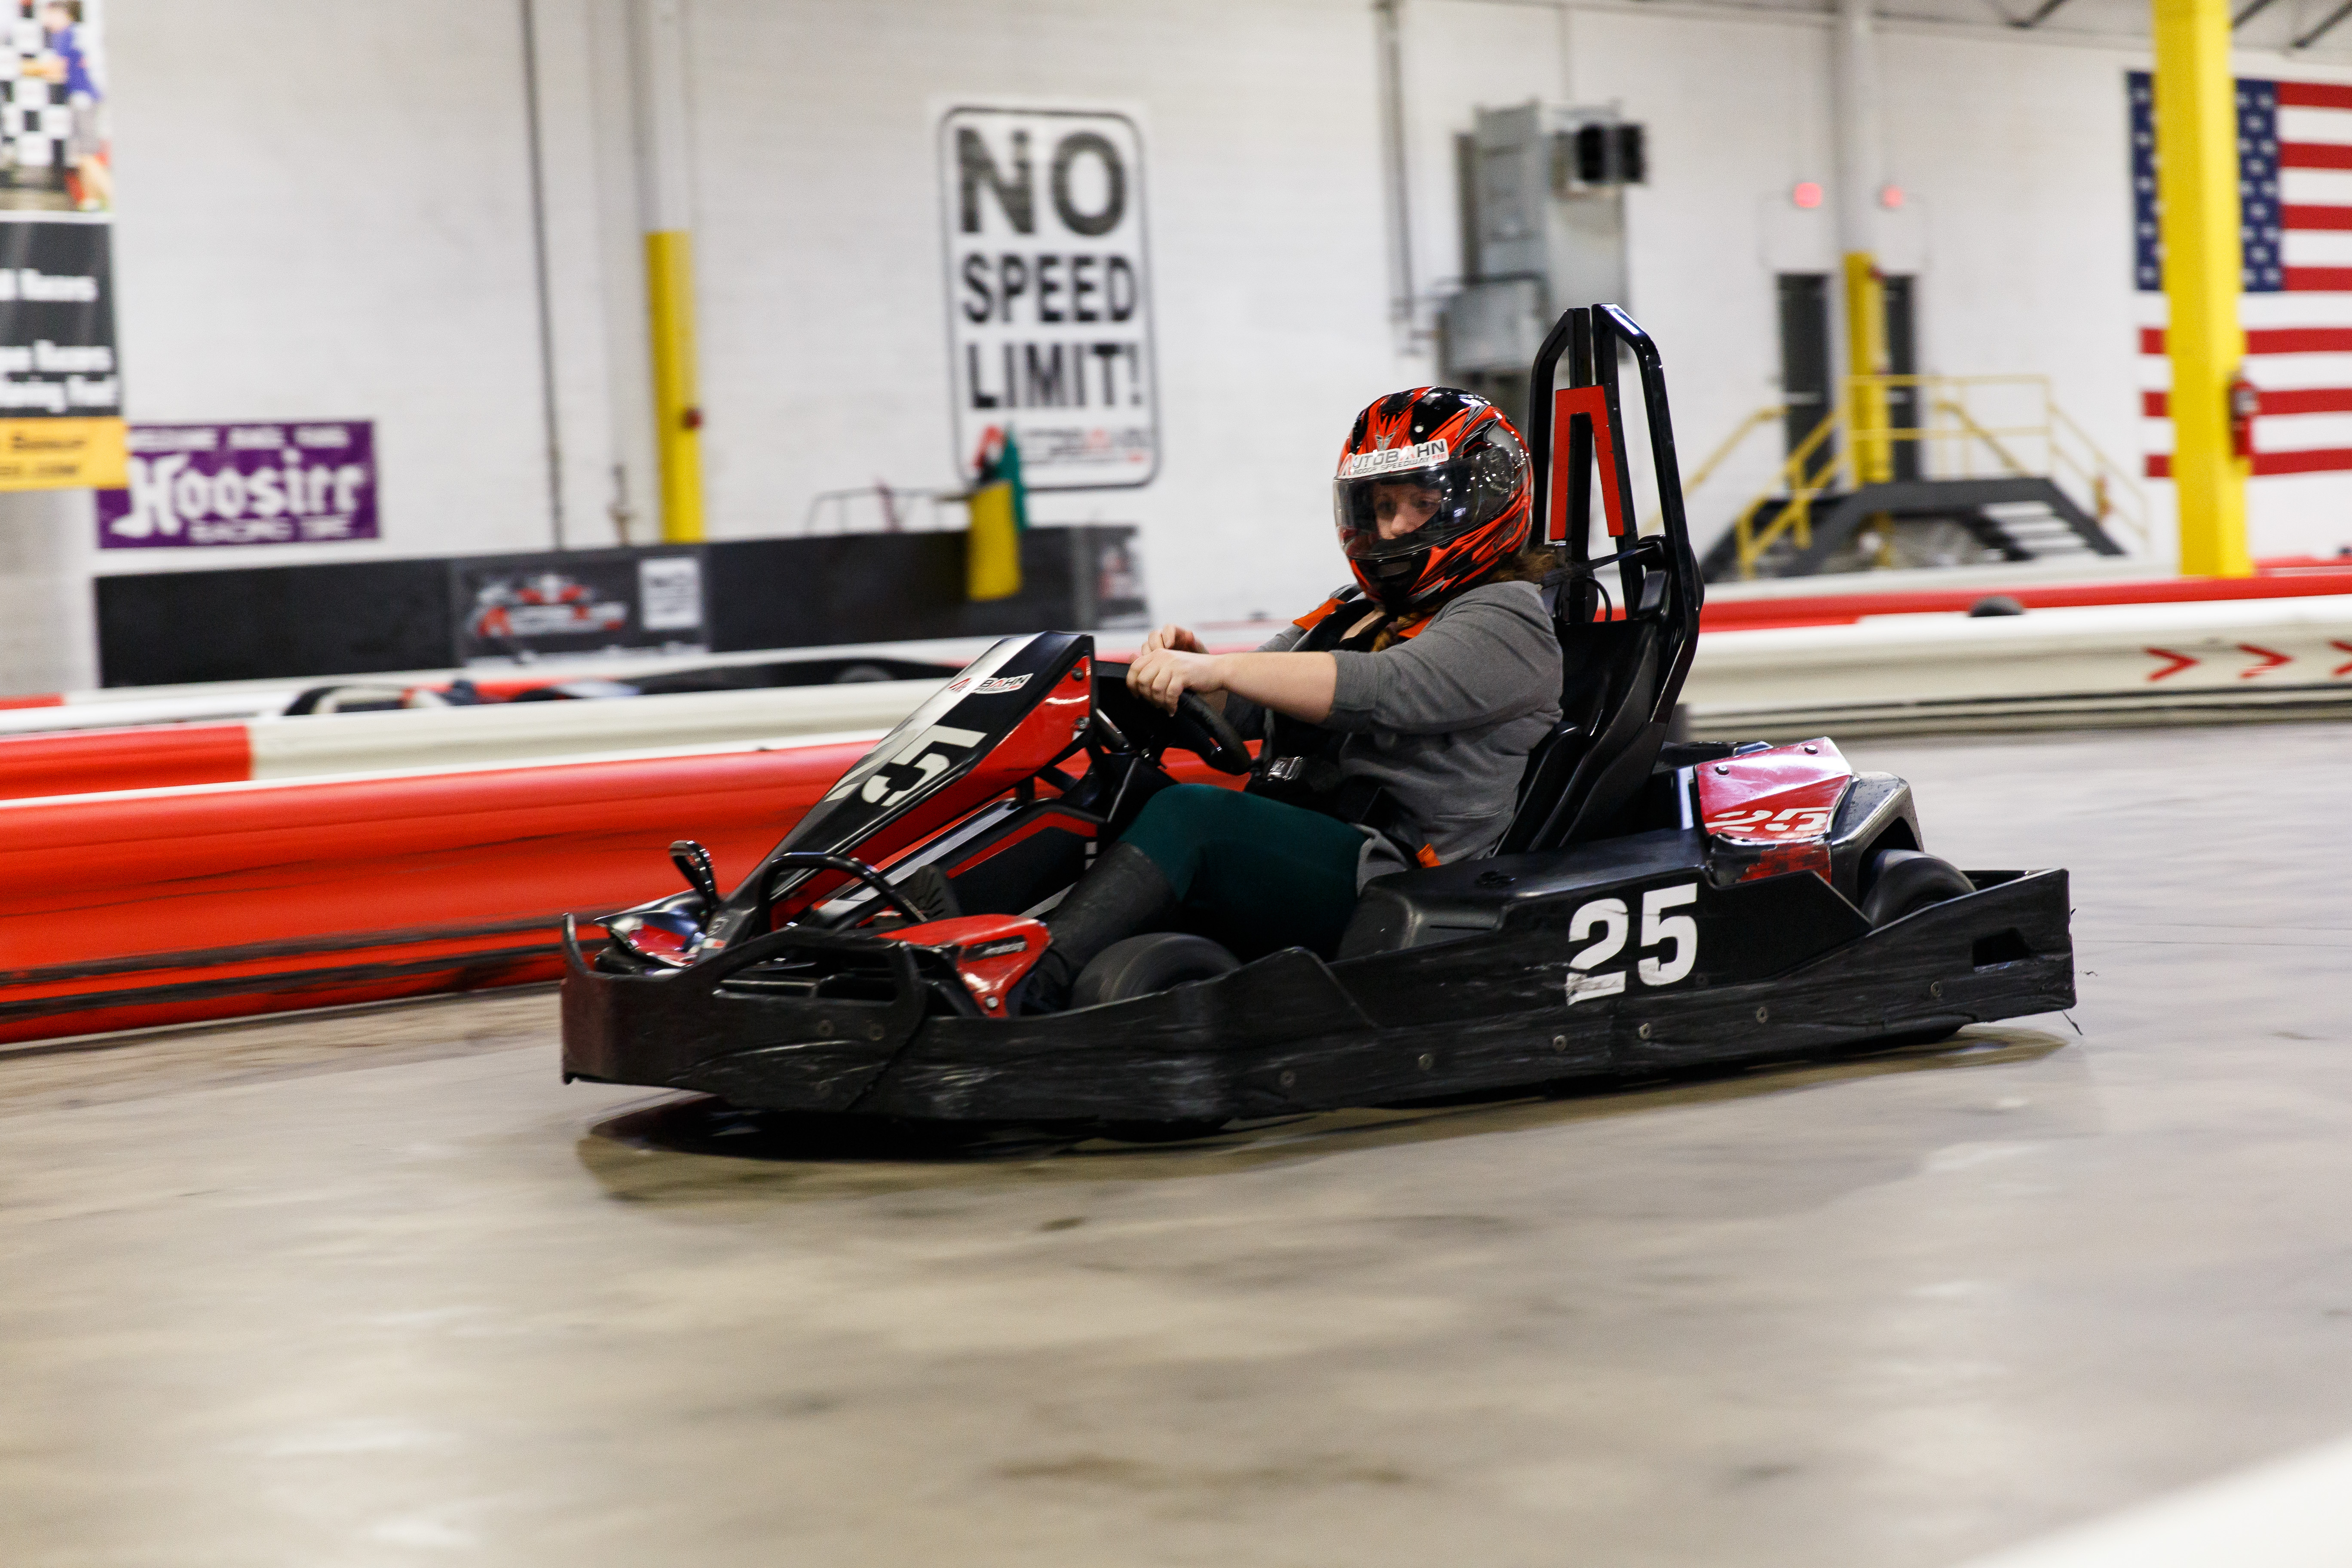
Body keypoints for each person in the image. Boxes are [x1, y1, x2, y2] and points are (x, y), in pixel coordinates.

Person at [1026, 386, 1564, 1008]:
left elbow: (1385, 690)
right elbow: (1255, 700)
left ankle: (1029, 983)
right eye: (1382, 506)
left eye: (1420, 503)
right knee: (1113, 793)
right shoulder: (1354, 610)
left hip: (1396, 877)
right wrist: (1185, 676)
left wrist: (1225, 671)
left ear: (1484, 500)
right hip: (1311, 840)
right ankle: (957, 933)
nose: (1393, 527)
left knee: (1196, 817)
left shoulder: (1508, 620)